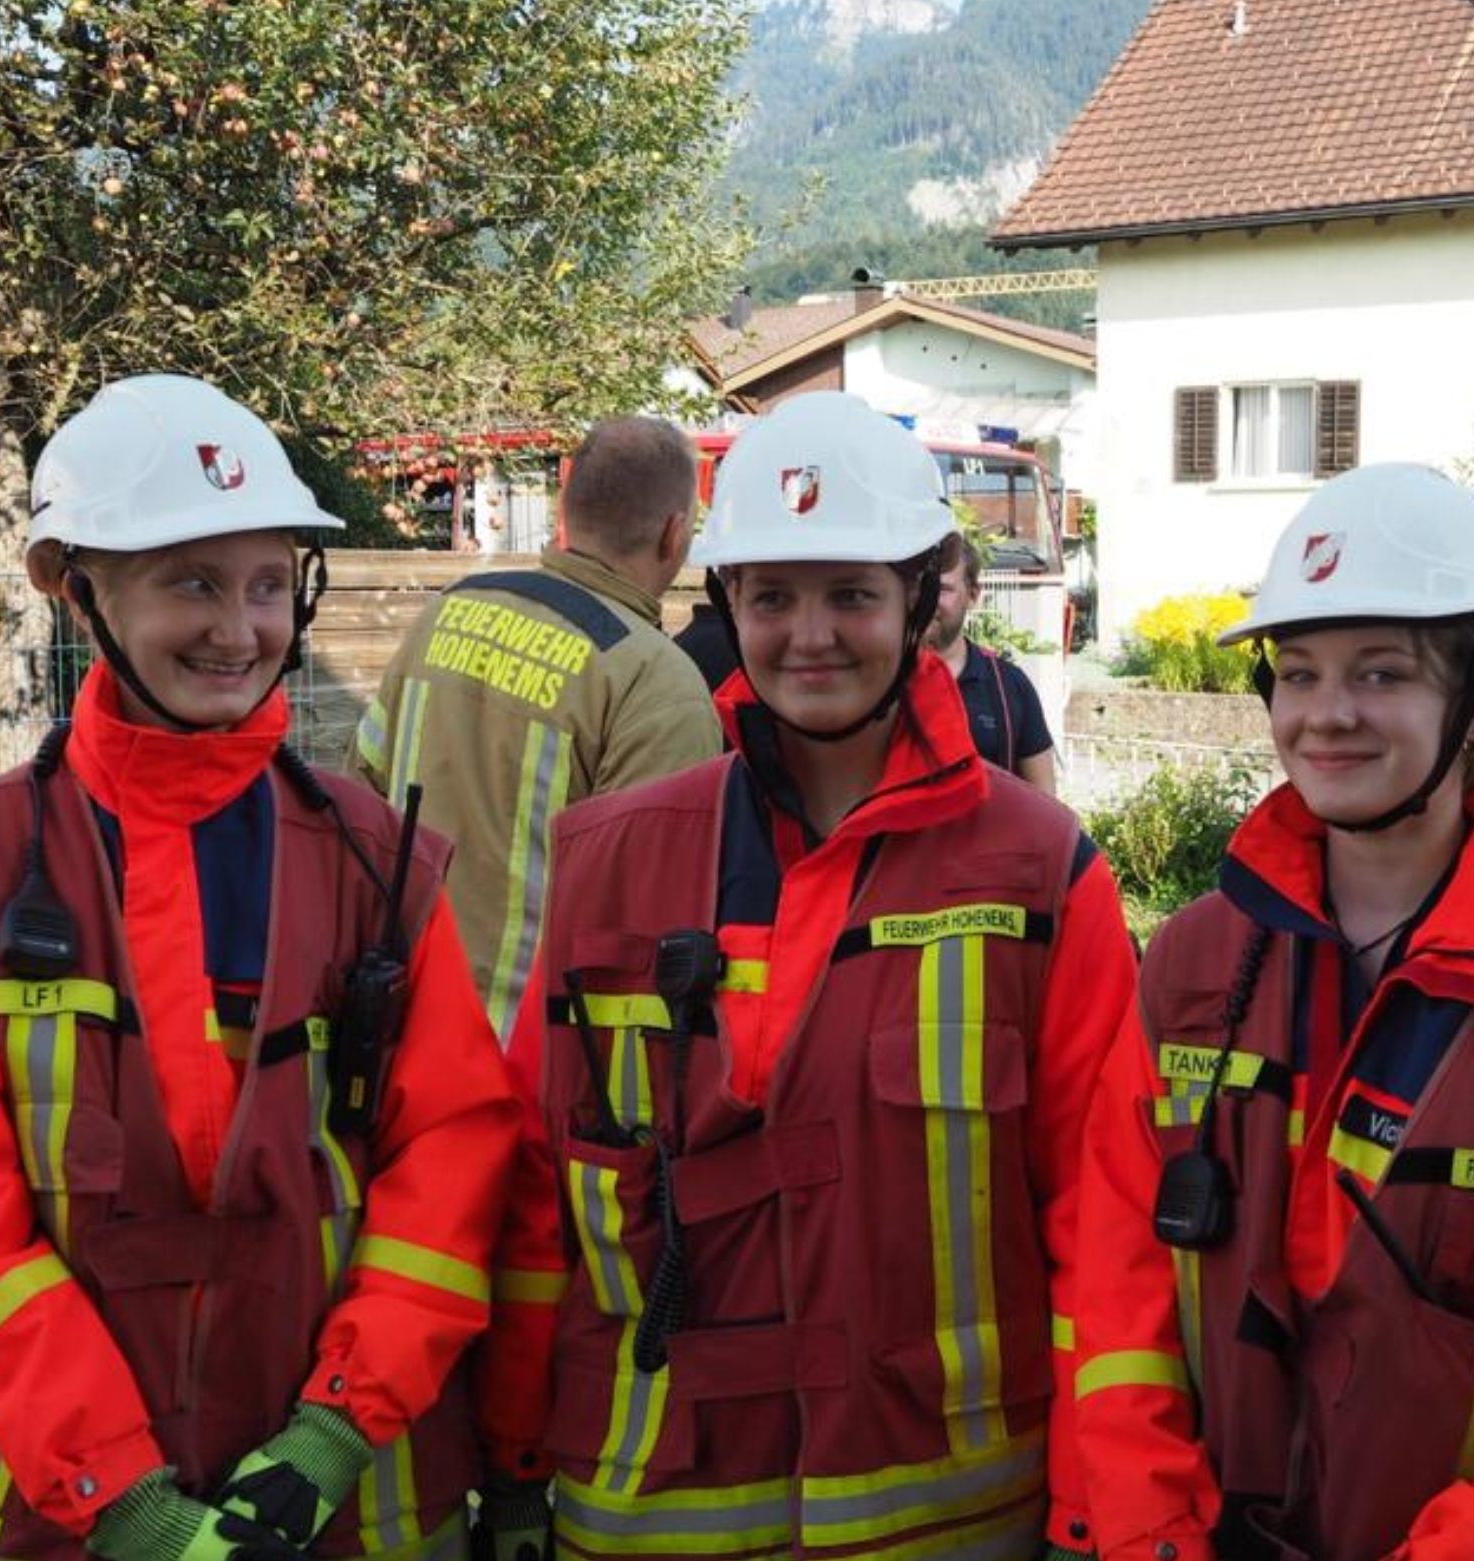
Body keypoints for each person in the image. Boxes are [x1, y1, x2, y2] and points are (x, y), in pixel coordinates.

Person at [470, 391, 1140, 1560]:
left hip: (952, 1517)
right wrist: (511, 1458)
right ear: (726, 602)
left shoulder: (1039, 874)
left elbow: (1103, 1225)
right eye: (772, 596)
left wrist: (1096, 1506)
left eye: (850, 594)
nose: (809, 635)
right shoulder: (609, 860)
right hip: (646, 1508)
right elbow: (539, 1196)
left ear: (920, 598)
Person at [0, 375, 518, 1561]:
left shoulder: (381, 868)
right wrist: (117, 1493)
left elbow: (452, 1168)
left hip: (339, 1504)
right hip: (44, 1517)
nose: (240, 629)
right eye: (191, 582)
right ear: (76, 591)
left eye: (268, 584)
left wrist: (335, 1431)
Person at [1071, 465, 1474, 1561]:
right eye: (1297, 673)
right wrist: (1152, 1532)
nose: (1324, 715)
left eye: (1380, 673)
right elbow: (1117, 1280)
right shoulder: (1191, 966)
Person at [350, 416, 721, 1044]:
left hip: (396, 1029)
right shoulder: (657, 684)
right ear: (674, 533)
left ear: (567, 513)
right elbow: (652, 919)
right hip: (539, 1067)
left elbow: (361, 794)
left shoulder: (444, 615)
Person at [927, 545, 1059, 795]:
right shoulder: (878, 684)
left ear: (973, 595)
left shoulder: (1010, 686)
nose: (926, 599)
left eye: (942, 589)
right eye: (919, 587)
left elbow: (1045, 803)